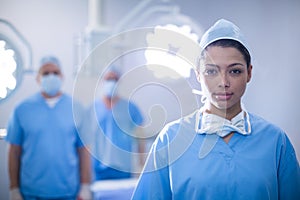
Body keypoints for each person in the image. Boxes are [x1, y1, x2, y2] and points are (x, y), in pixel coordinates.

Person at [132, 19, 300, 199]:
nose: (224, 82)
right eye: (211, 71)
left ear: (249, 73)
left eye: (234, 71)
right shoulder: (171, 139)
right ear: (198, 74)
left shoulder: (275, 141)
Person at [6, 56, 91, 200]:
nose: (51, 76)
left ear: (62, 76)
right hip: (31, 192)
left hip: (68, 191)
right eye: (45, 73)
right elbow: (14, 151)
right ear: (38, 78)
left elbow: (84, 151)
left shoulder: (76, 108)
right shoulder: (22, 109)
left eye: (55, 73)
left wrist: (85, 186)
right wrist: (14, 188)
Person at [85, 69, 144, 181]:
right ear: (102, 81)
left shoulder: (130, 108)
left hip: (123, 168)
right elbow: (85, 142)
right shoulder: (92, 109)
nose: (111, 82)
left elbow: (141, 137)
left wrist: (142, 164)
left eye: (115, 79)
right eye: (108, 79)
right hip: (98, 169)